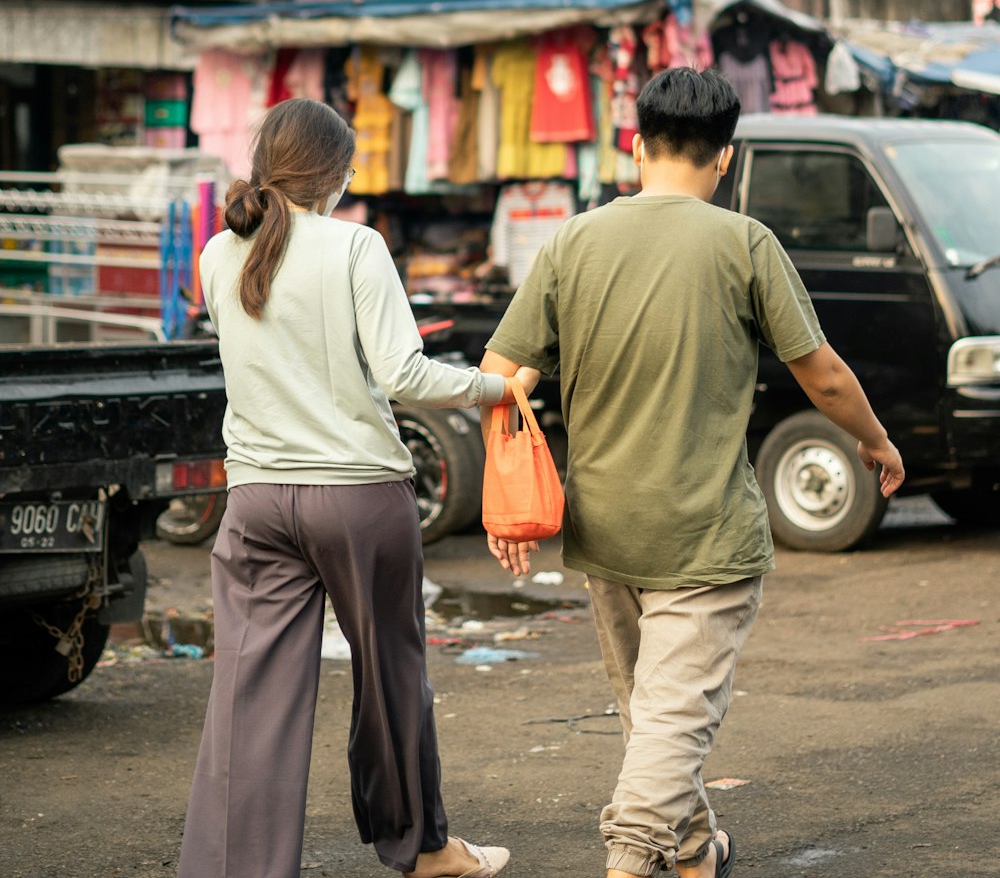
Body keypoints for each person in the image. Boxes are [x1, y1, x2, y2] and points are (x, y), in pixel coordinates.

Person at [478, 67, 904, 878]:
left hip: (606, 528)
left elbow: (502, 379)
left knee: (655, 716)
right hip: (706, 531)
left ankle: (697, 851)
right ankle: (629, 860)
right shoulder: (744, 242)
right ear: (725, 159)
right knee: (671, 722)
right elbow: (823, 377)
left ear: (635, 146)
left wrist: (508, 502)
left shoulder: (573, 240)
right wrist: (876, 441)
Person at [178, 97, 534, 878]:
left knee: (248, 696)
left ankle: (234, 868)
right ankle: (422, 849)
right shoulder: (355, 247)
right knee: (389, 676)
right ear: (334, 174)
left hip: (256, 499)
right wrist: (493, 390)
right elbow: (403, 373)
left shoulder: (214, 254)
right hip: (357, 497)